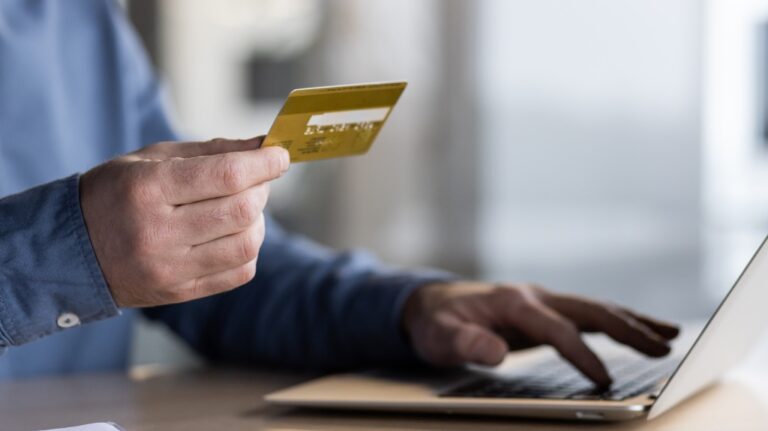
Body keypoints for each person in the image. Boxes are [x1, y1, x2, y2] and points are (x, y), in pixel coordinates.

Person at [0, 0, 678, 387]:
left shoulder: (80, 18)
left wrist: (408, 306)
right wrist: (63, 252)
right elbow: (99, 244)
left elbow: (206, 278)